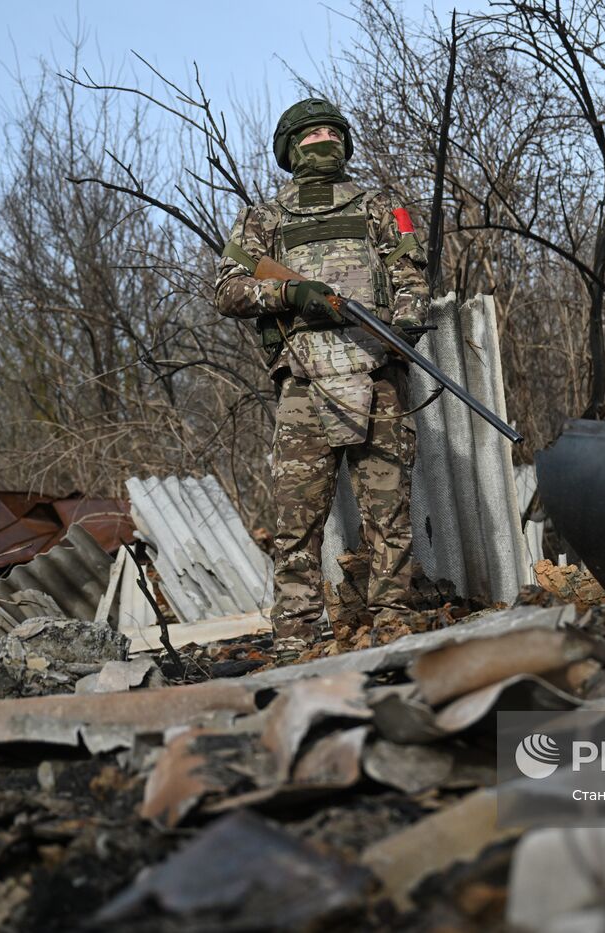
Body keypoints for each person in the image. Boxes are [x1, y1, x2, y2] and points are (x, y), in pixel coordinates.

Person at [213, 97, 429, 657]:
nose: (322, 143)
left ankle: (394, 623)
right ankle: (297, 639)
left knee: (389, 513)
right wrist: (290, 292)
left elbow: (410, 278)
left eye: (332, 133)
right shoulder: (264, 219)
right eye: (309, 137)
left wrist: (400, 331)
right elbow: (227, 290)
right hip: (302, 382)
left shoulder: (379, 205)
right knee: (296, 522)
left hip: (374, 372)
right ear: (289, 148)